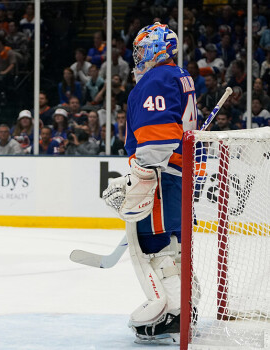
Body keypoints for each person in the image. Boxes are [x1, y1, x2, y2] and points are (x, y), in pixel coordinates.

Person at [103, 23, 197, 344]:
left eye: (142, 50)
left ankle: (174, 313)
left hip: (161, 178)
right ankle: (189, 306)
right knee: (178, 248)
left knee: (156, 249)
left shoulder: (156, 79)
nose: (138, 58)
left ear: (159, 49)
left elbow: (157, 138)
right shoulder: (180, 75)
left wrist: (137, 178)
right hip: (180, 179)